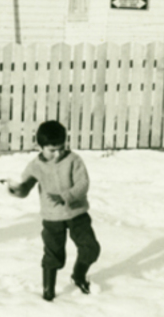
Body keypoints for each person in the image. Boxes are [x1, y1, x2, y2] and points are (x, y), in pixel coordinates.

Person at [7, 120, 100, 301]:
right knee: (53, 255)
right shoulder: (35, 166)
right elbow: (26, 185)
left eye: (61, 148)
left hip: (77, 213)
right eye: (52, 150)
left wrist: (66, 196)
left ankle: (78, 275)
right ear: (40, 147)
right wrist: (18, 190)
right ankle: (48, 291)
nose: (57, 153)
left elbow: (83, 184)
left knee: (91, 248)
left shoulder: (74, 160)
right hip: (52, 217)